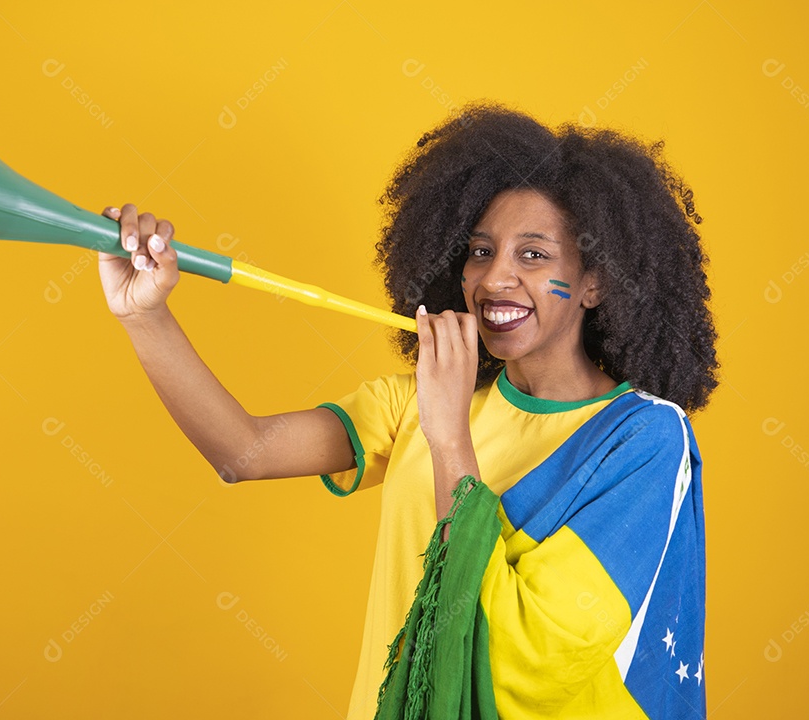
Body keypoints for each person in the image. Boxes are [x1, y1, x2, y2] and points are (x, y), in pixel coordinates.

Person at [97, 101, 718, 719]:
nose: (494, 278)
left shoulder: (643, 438)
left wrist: (447, 431)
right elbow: (241, 452)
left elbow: (527, 659)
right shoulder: (418, 398)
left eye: (534, 255)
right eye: (480, 251)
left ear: (595, 282)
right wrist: (143, 314)